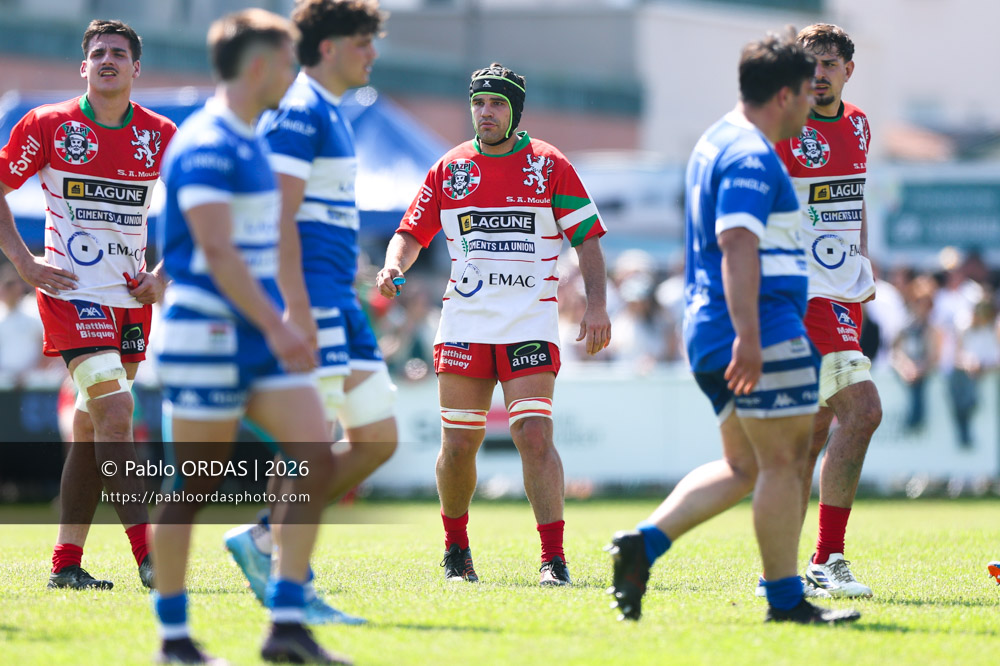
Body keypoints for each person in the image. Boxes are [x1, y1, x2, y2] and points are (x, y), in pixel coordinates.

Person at [604, 31, 860, 625]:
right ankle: (786, 600)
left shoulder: (715, 138)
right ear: (785, 93)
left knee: (744, 466)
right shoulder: (752, 153)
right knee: (784, 463)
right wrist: (750, 334)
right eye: (804, 92)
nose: (810, 105)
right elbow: (737, 244)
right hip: (758, 327)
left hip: (712, 328)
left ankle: (645, 543)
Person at [150, 10, 348, 664]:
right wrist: (279, 323)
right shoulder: (208, 141)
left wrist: (285, 319)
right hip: (208, 335)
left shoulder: (251, 138)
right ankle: (174, 637)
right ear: (259, 66)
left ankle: (286, 626)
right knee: (195, 487)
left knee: (315, 453)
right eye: (289, 64)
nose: (294, 78)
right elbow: (217, 252)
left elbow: (262, 245)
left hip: (258, 337)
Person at [376, 62, 611, 586]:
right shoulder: (450, 167)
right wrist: (394, 263)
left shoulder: (549, 165)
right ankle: (456, 550)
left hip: (529, 324)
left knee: (532, 434)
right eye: (479, 102)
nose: (485, 112)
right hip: (463, 326)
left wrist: (596, 306)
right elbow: (410, 233)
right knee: (458, 444)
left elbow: (587, 238)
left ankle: (553, 558)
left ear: (515, 111)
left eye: (497, 103)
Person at [222, 0, 397, 626]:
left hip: (339, 301)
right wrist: (295, 308)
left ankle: (265, 538)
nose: (373, 53)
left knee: (377, 438)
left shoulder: (330, 111)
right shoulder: (300, 110)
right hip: (313, 301)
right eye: (363, 42)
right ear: (328, 48)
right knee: (312, 450)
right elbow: (278, 218)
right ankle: (293, 591)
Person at [0, 19, 175, 590]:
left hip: (129, 300)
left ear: (135, 69)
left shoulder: (161, 134)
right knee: (118, 417)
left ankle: (65, 564)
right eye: (97, 52)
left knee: (94, 425)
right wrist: (25, 263)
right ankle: (151, 558)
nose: (107, 60)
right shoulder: (48, 124)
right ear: (83, 67)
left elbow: (202, 208)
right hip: (71, 296)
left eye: (118, 54)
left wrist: (163, 274)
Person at [772, 23, 880, 598]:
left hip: (844, 290)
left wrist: (863, 260)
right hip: (801, 293)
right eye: (809, 64)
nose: (819, 74)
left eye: (829, 65)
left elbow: (852, 196)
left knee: (811, 436)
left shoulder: (859, 123)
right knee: (862, 412)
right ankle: (826, 558)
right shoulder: (784, 124)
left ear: (847, 71)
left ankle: (783, 564)